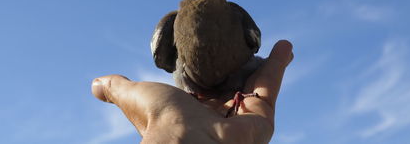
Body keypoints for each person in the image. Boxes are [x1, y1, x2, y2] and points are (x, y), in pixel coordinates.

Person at [92, 40, 294, 144]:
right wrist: (174, 125)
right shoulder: (173, 24)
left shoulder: (237, 18)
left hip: (236, 91)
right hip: (198, 96)